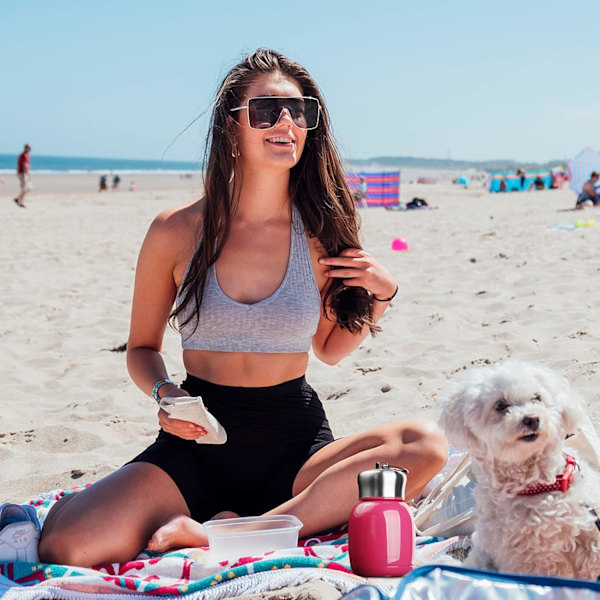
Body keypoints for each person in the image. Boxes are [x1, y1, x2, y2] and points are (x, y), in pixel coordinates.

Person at [38, 48, 447, 567]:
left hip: (295, 445)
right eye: (266, 111)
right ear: (232, 128)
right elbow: (142, 348)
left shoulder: (321, 233)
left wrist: (381, 297)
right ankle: (251, 525)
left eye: (299, 112)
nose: (286, 123)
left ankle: (236, 530)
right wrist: (165, 394)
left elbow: (330, 350)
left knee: (425, 445)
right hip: (199, 440)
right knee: (68, 545)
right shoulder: (175, 230)